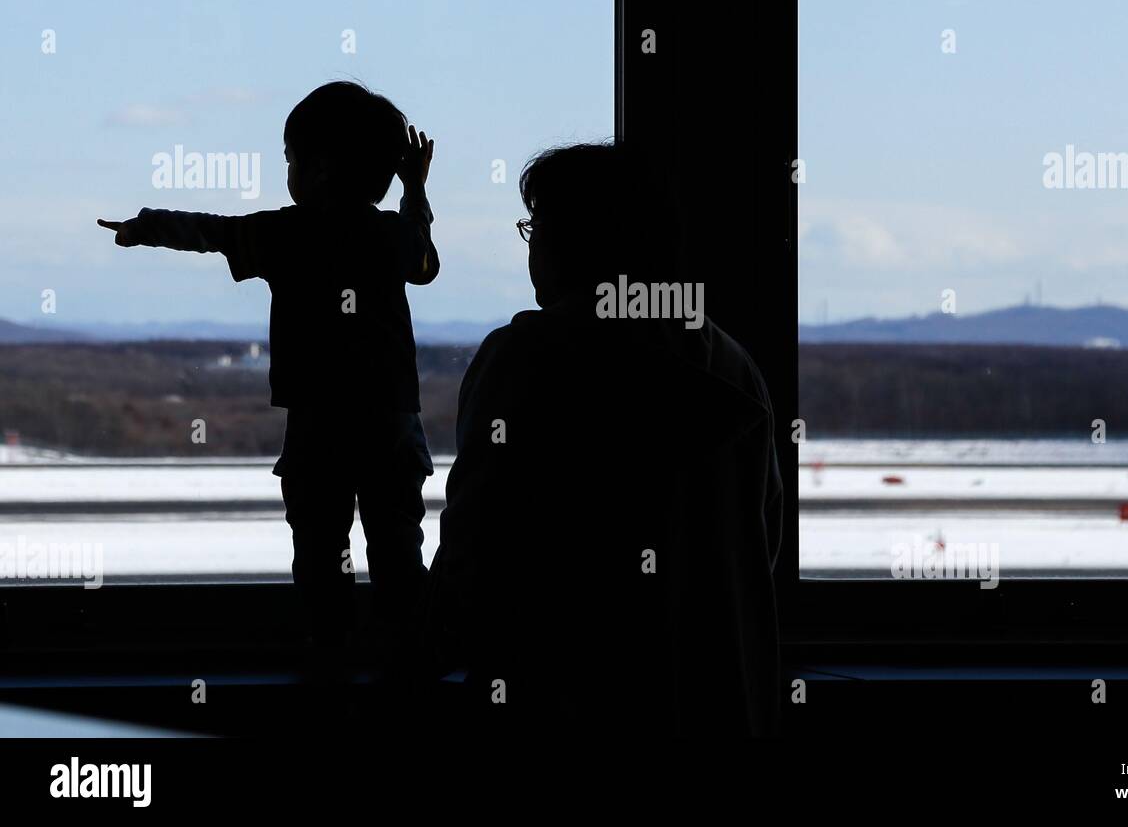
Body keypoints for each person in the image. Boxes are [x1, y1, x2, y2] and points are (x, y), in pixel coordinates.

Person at [427, 141, 783, 734]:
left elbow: (478, 540)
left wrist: (431, 645)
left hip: (560, 698)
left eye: (537, 228)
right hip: (716, 699)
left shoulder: (527, 360)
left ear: (574, 241)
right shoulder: (733, 367)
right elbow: (760, 541)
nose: (531, 247)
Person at [97, 81, 440, 668]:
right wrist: (415, 191)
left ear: (319, 169)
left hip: (317, 421)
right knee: (397, 548)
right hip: (391, 419)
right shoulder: (388, 236)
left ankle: (329, 658)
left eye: (290, 159)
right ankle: (406, 665)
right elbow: (424, 264)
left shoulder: (286, 233)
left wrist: (144, 226)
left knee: (319, 548)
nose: (288, 172)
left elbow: (211, 231)